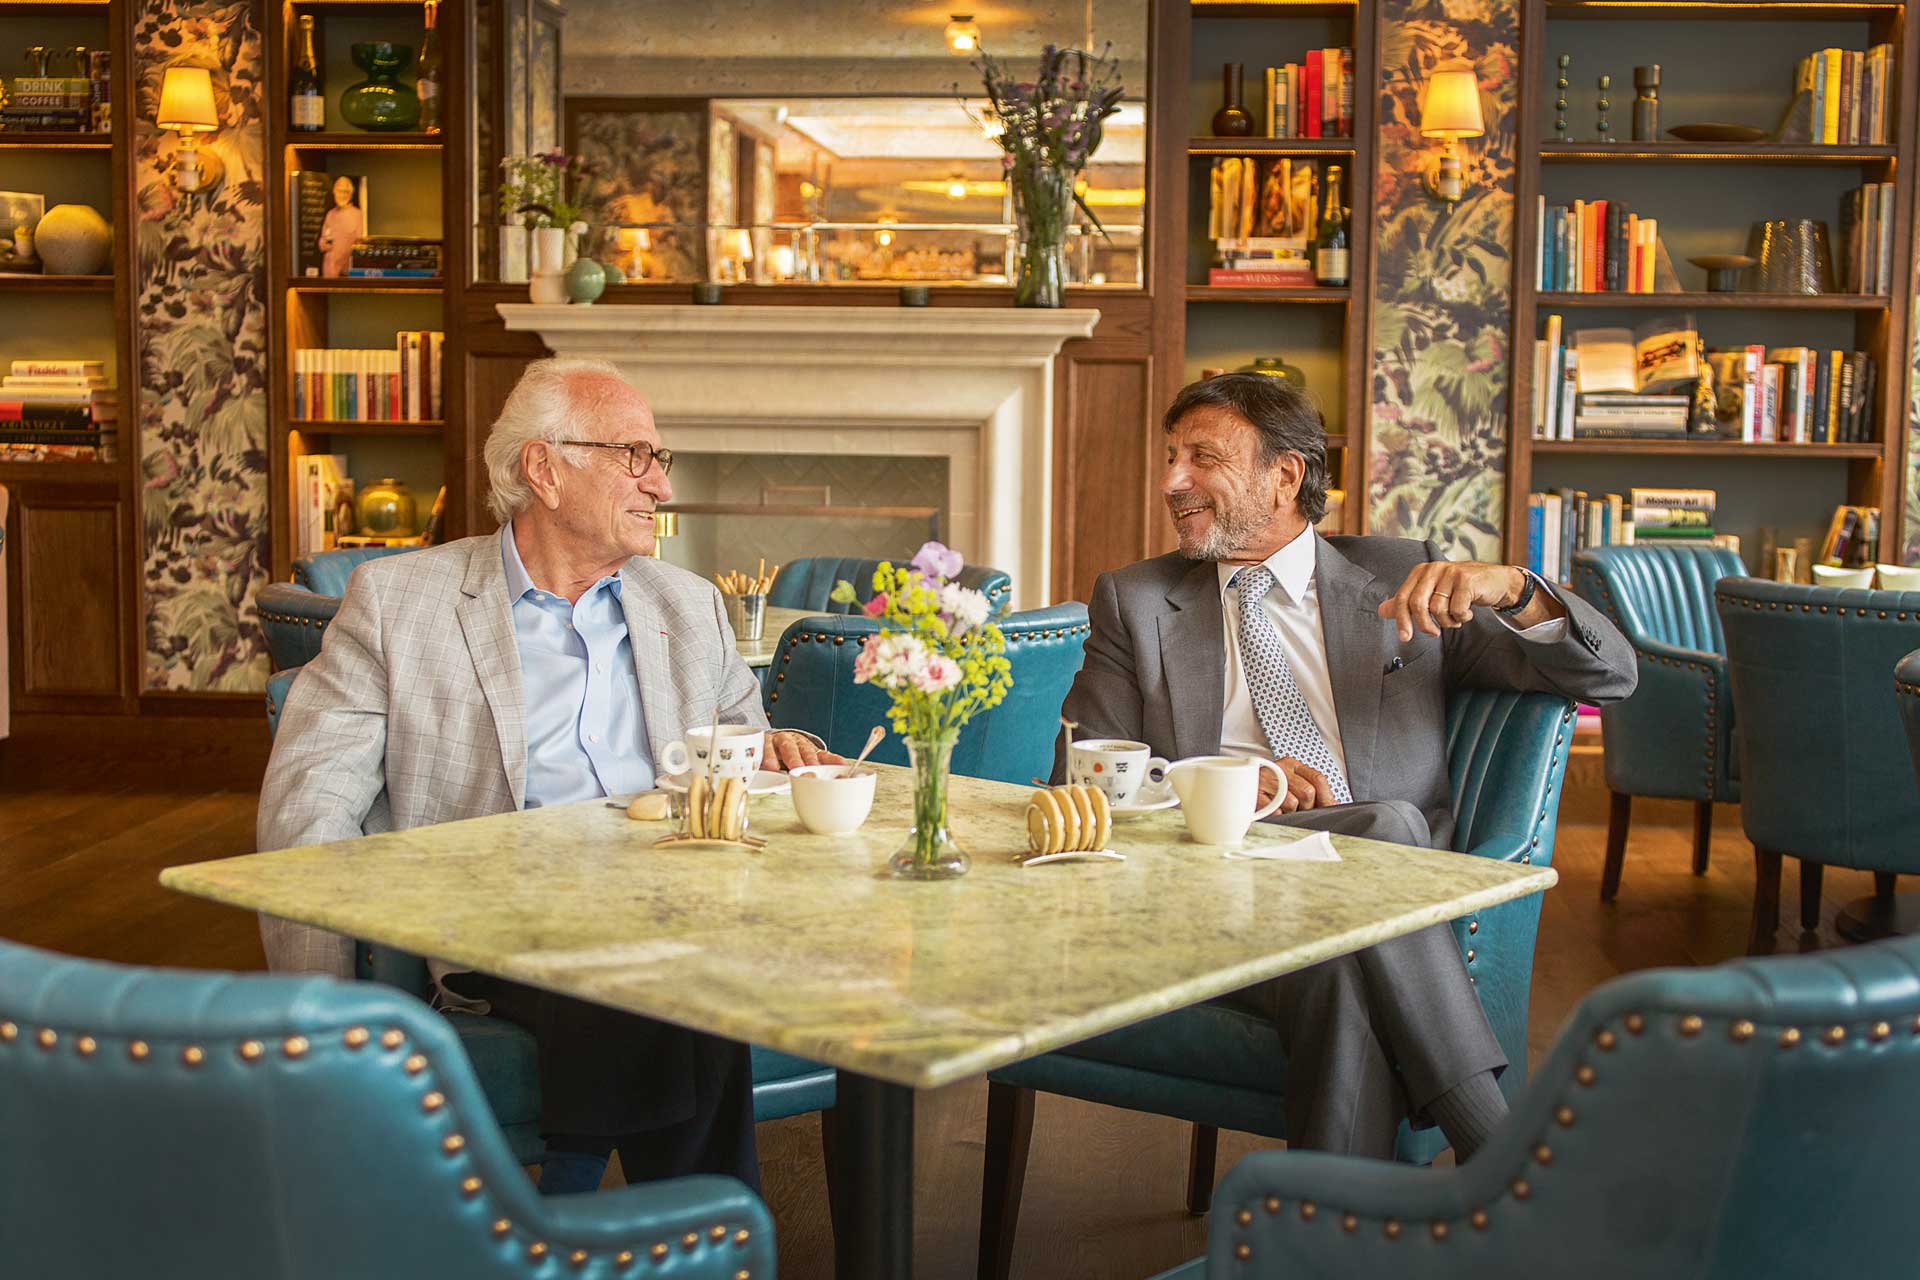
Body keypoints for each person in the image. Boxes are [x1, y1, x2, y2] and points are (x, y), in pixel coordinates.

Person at [258, 356, 839, 1195]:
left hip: (679, 903)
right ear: (545, 468)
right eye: (636, 456)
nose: (661, 488)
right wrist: (314, 1029)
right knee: (669, 980)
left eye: (659, 461)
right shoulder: (400, 603)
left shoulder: (686, 605)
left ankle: (583, 1219)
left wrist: (779, 746)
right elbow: (305, 813)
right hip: (496, 920)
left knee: (672, 963)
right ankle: (695, 1233)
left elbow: (741, 750)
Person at [1056, 372, 1637, 1161]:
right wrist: (1225, 785)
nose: (1170, 482)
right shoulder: (1137, 600)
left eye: (1200, 458)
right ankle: (1502, 1155)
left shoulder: (1405, 580)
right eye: (1169, 458)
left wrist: (1511, 585)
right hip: (1216, 890)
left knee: (1340, 960)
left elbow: (1611, 676)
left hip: (1362, 913)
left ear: (1286, 475)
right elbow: (1085, 779)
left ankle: (1332, 1239)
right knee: (1388, 824)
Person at [317, 175, 364, 277]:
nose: (342, 195)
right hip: (330, 270)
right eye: (339, 191)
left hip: (348, 270)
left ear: (350, 194)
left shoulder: (357, 214)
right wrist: (324, 243)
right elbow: (322, 240)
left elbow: (359, 242)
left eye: (345, 192)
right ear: (334, 193)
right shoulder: (330, 214)